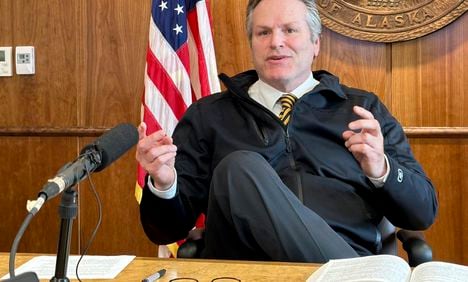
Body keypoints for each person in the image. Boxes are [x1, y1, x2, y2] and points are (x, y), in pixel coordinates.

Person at [136, 0, 437, 263]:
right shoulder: (209, 115)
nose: (276, 42)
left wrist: (382, 170)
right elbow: (165, 230)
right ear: (252, 43)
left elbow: (421, 213)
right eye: (263, 32)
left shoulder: (361, 110)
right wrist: (164, 185)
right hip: (249, 271)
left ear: (315, 42)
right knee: (239, 169)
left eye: (290, 30)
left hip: (347, 254)